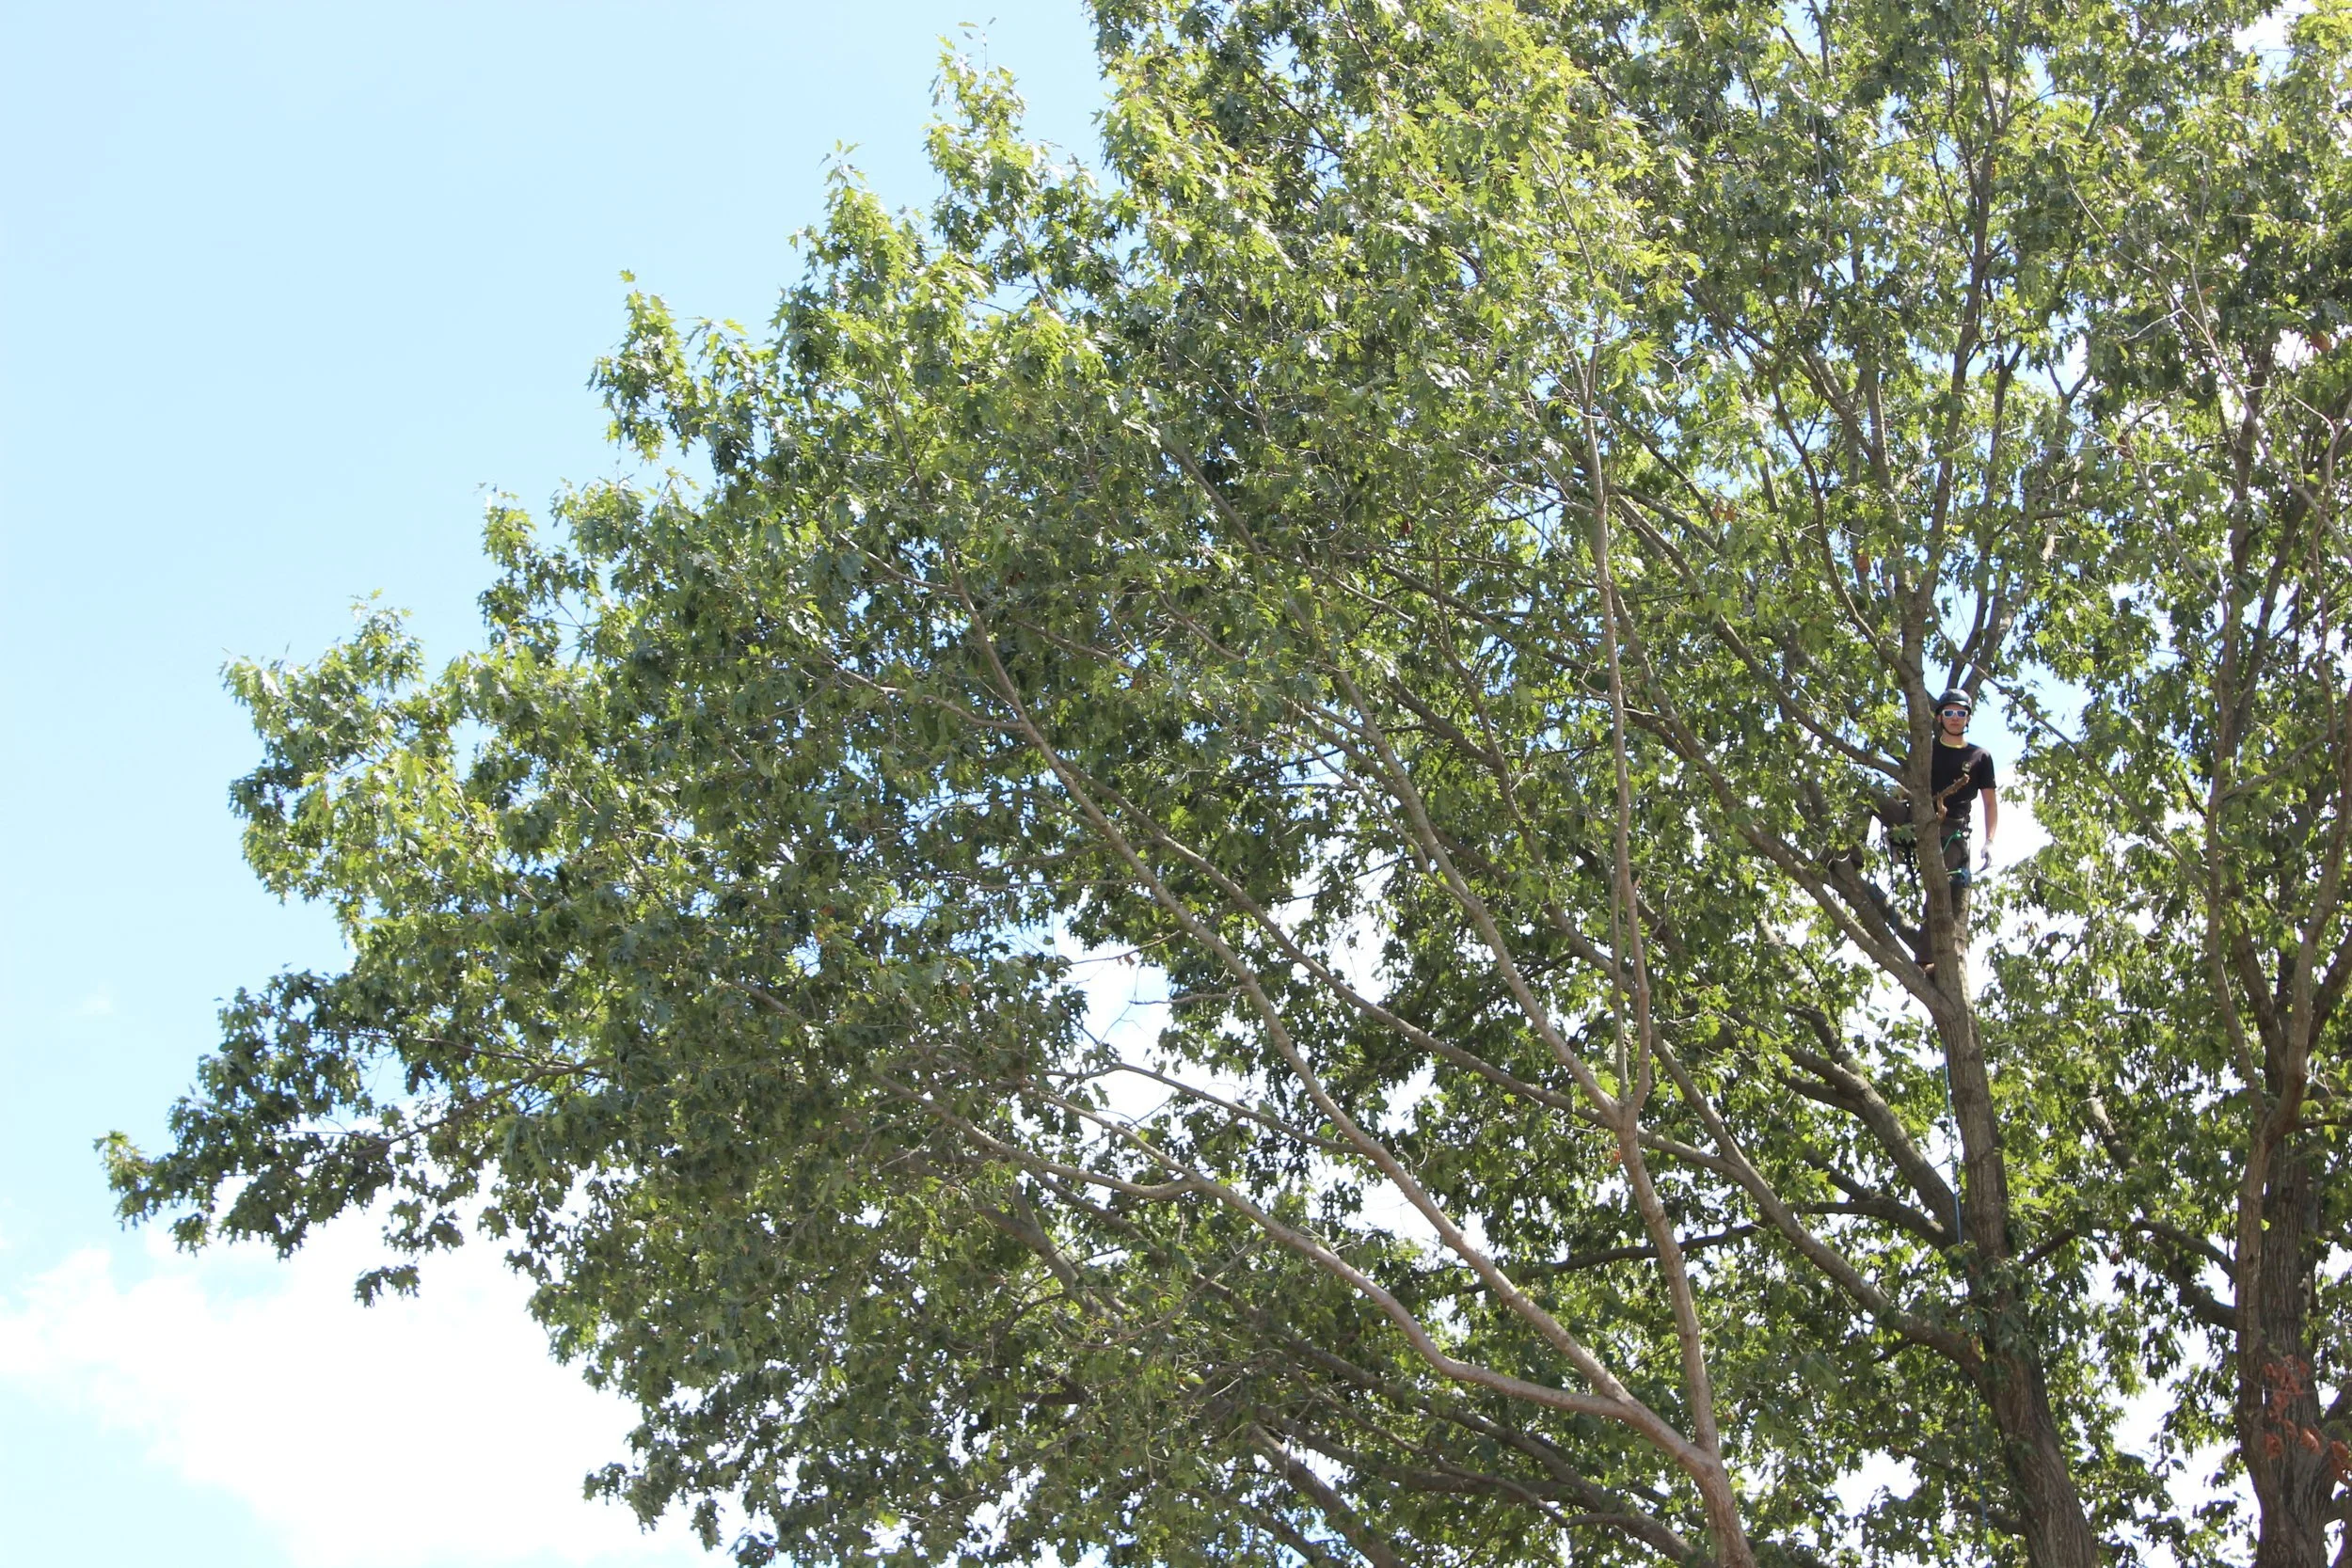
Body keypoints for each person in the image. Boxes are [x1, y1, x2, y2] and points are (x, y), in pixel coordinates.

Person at [1924, 689, 1998, 936]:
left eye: (1960, 713)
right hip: (1918, 818)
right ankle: (1848, 856)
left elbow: (1990, 803)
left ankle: (1928, 960)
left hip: (1952, 828)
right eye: (1949, 712)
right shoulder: (1926, 751)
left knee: (1944, 888)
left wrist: (1989, 841)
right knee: (1870, 796)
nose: (1955, 717)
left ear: (1968, 718)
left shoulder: (1980, 756)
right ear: (1939, 718)